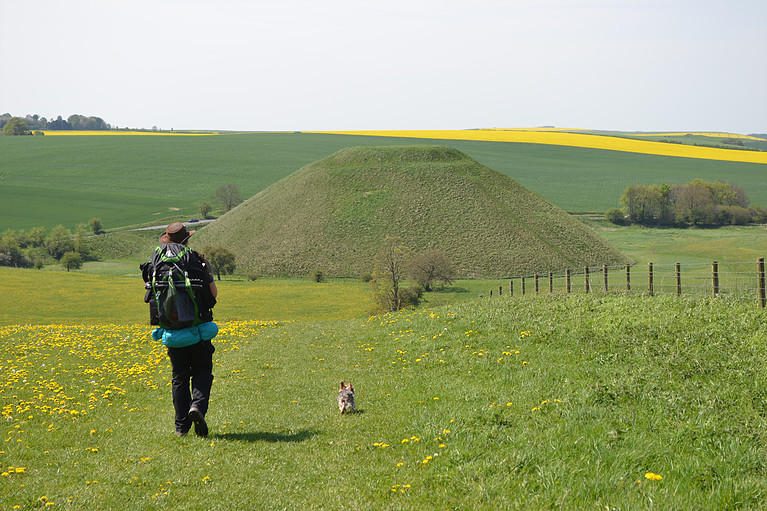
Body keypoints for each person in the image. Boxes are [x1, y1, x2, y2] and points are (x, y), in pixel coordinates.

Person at [147, 222, 218, 437]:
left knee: (179, 377)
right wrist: (209, 273)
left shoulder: (157, 261)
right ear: (187, 239)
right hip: (197, 331)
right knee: (202, 371)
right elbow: (213, 296)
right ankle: (197, 406)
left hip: (171, 333)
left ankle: (181, 429)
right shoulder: (195, 259)